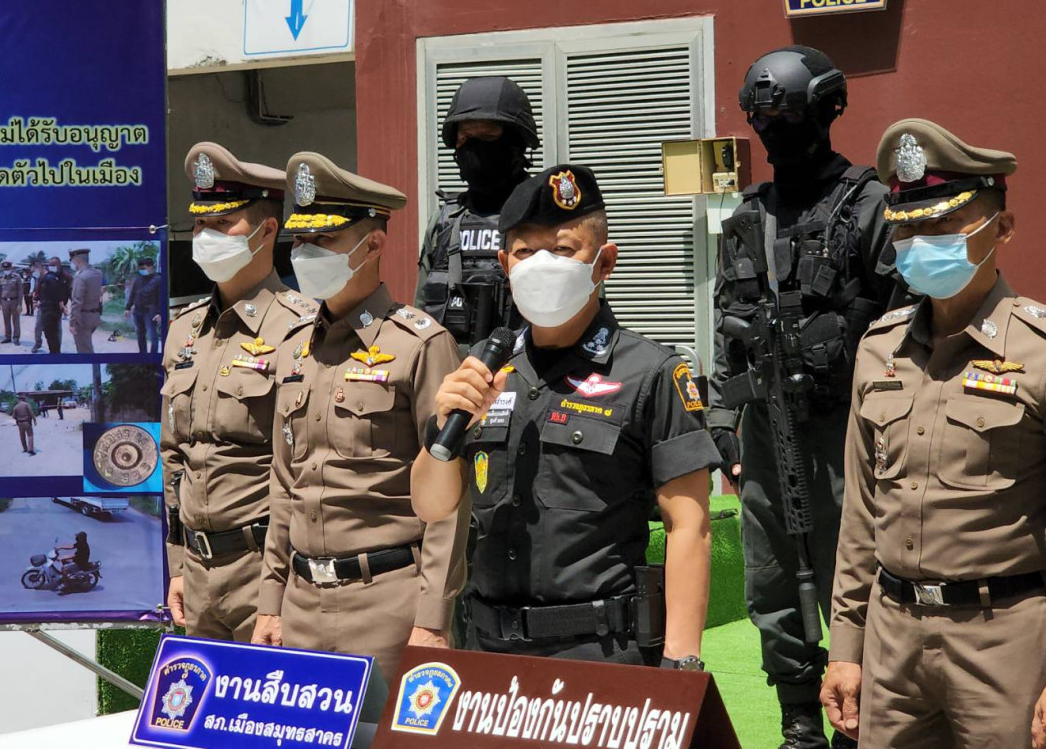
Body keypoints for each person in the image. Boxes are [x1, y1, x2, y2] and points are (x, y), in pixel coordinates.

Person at [411, 164, 720, 670]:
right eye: (525, 253)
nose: (541, 265)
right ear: (504, 265)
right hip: (489, 650)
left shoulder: (652, 373)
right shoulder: (487, 369)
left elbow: (690, 526)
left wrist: (681, 662)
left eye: (562, 250)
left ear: (604, 262)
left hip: (600, 655)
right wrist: (441, 428)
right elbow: (431, 505)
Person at [707, 46, 909, 748]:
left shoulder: (870, 205)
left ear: (826, 112)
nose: (774, 130)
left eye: (788, 115)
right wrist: (724, 421)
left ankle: (858, 717)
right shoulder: (748, 215)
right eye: (762, 118)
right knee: (770, 578)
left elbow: (907, 320)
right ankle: (798, 721)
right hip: (766, 428)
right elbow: (727, 321)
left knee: (853, 574)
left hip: (849, 428)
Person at [821, 119, 1046, 749]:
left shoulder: (1039, 354)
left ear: (1002, 228)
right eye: (908, 229)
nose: (921, 244)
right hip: (892, 640)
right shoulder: (879, 349)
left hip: (1004, 640)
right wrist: (846, 648)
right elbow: (861, 514)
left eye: (944, 226)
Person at [252, 152, 466, 681]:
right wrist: (271, 600)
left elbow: (449, 497)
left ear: (372, 245)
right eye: (300, 240)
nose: (305, 253)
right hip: (301, 603)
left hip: (388, 605)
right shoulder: (293, 347)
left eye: (323, 239)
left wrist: (432, 618)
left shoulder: (420, 344)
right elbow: (285, 483)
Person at [160, 142, 318, 643]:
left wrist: (279, 586)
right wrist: (178, 563)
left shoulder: (305, 329)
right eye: (200, 225)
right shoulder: (184, 330)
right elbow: (175, 458)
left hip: (267, 570)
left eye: (223, 223)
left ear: (268, 230)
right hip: (198, 572)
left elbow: (304, 471)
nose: (206, 236)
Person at [415, 76, 537, 352]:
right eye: (465, 138)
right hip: (451, 371)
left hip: (526, 372)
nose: (474, 148)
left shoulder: (546, 216)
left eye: (487, 137)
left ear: (516, 143)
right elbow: (420, 313)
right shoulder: (446, 221)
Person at [124, 256, 163, 353]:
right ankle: (143, 354)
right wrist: (127, 308)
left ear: (150, 267)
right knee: (140, 334)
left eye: (143, 268)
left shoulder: (158, 280)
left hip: (150, 312)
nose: (141, 271)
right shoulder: (138, 280)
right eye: (140, 269)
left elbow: (161, 297)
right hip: (138, 311)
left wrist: (159, 313)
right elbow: (133, 294)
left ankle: (153, 356)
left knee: (152, 335)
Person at [68, 249, 103, 353]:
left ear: (77, 260)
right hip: (95, 315)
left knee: (84, 350)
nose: (73, 264)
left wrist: (72, 322)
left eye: (73, 261)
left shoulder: (80, 276)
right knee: (87, 345)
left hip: (83, 317)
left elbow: (77, 301)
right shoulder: (98, 273)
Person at [36, 257, 71, 354]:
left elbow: (68, 291)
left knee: (54, 331)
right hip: (44, 307)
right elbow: (39, 289)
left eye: (53, 265)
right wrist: (36, 300)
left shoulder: (65, 277)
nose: (51, 267)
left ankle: (55, 351)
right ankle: (52, 349)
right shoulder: (45, 277)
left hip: (56, 308)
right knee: (45, 329)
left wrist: (63, 304)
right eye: (49, 265)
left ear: (59, 265)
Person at [0, 260, 23, 346]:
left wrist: (19, 304)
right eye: (5, 269)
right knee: (6, 320)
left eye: (8, 268)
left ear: (11, 268)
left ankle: (16, 337)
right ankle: (7, 337)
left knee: (16, 320)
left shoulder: (17, 277)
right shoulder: (0, 277)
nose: (6, 270)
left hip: (14, 301)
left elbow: (20, 291)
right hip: (4, 301)